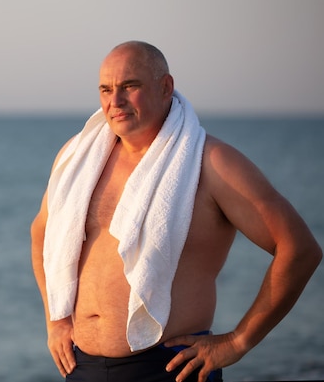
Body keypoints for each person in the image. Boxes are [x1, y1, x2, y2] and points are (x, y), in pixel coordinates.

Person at [30, 41, 322, 382]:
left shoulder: (212, 164)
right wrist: (56, 321)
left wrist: (238, 341)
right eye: (106, 89)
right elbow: (42, 238)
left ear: (165, 87)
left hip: (171, 370)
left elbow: (299, 249)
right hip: (83, 369)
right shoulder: (77, 159)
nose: (115, 101)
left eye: (130, 86)